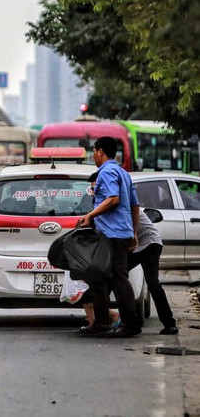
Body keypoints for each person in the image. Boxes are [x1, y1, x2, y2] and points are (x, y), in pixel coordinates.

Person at [77, 137, 142, 337]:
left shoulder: (106, 172)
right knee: (97, 277)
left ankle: (131, 325)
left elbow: (113, 199)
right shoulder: (123, 173)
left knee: (118, 278)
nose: (93, 156)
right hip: (118, 233)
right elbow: (134, 206)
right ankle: (101, 322)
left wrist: (90, 215)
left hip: (112, 234)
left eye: (94, 152)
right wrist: (134, 232)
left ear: (100, 152)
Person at [127, 206, 178, 334]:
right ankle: (169, 323)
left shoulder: (122, 202)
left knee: (119, 275)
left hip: (149, 243)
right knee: (152, 284)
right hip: (147, 244)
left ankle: (129, 322)